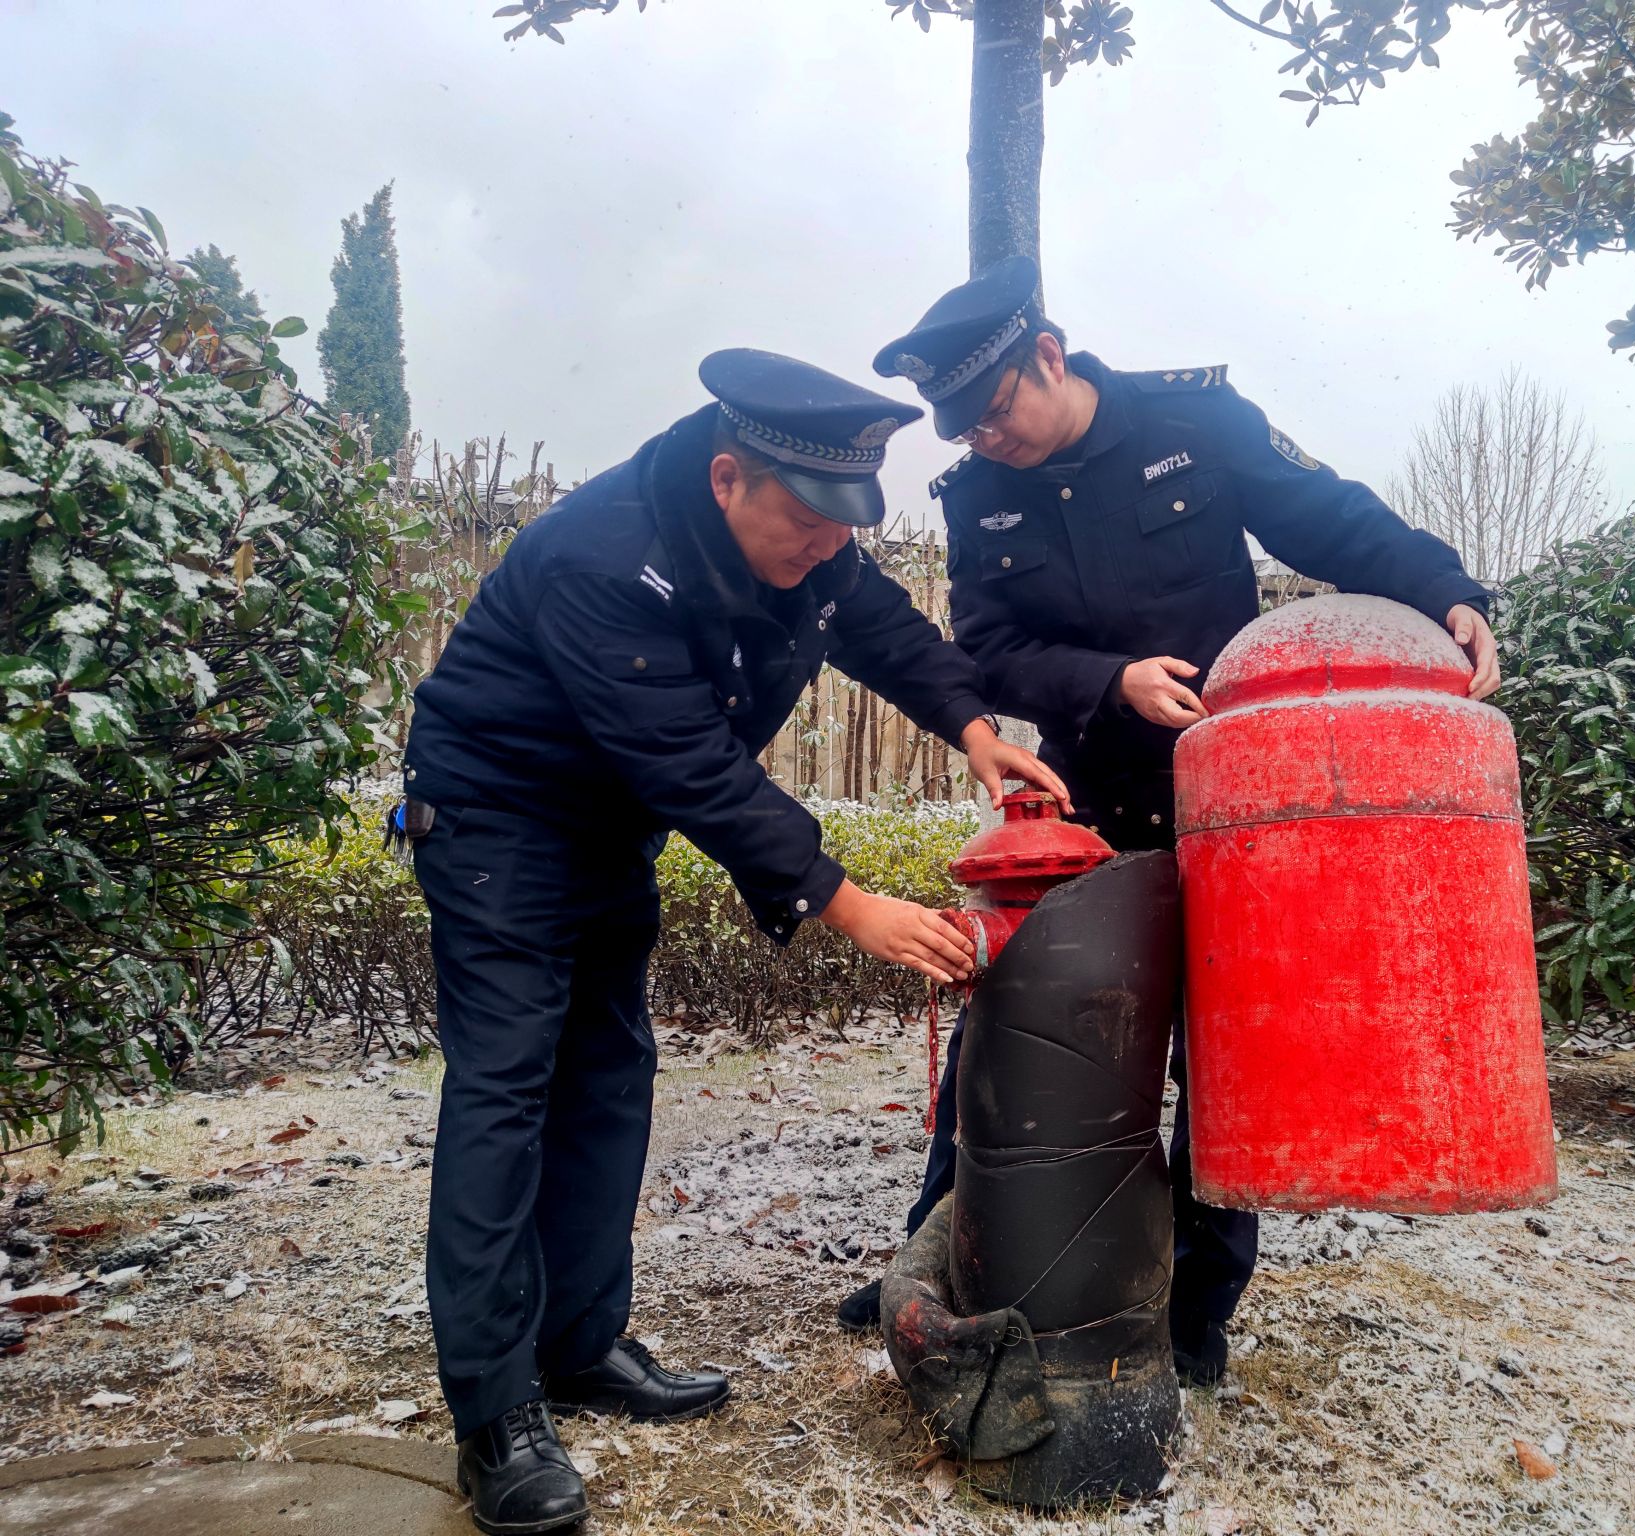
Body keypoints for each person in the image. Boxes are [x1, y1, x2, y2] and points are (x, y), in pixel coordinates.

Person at [397, 348, 1068, 1536]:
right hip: (497, 821)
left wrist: (971, 724)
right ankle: (494, 1414)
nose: (826, 548)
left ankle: (579, 1344)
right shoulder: (599, 557)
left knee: (609, 1080)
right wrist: (850, 905)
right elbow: (694, 769)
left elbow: (881, 627)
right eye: (806, 526)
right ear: (726, 479)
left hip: (607, 830)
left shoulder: (809, 536)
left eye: (841, 527)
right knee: (505, 1094)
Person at [834, 258, 1500, 1386]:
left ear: (1049, 356)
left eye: (994, 410)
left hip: (1230, 807)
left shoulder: (1195, 422)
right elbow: (990, 651)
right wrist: (1109, 681)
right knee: (1012, 1033)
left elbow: (1331, 519)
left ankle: (1196, 1306)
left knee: (1223, 1054)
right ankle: (945, 1245)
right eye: (964, 428)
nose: (984, 439)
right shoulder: (975, 497)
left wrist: (1448, 591)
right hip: (1090, 807)